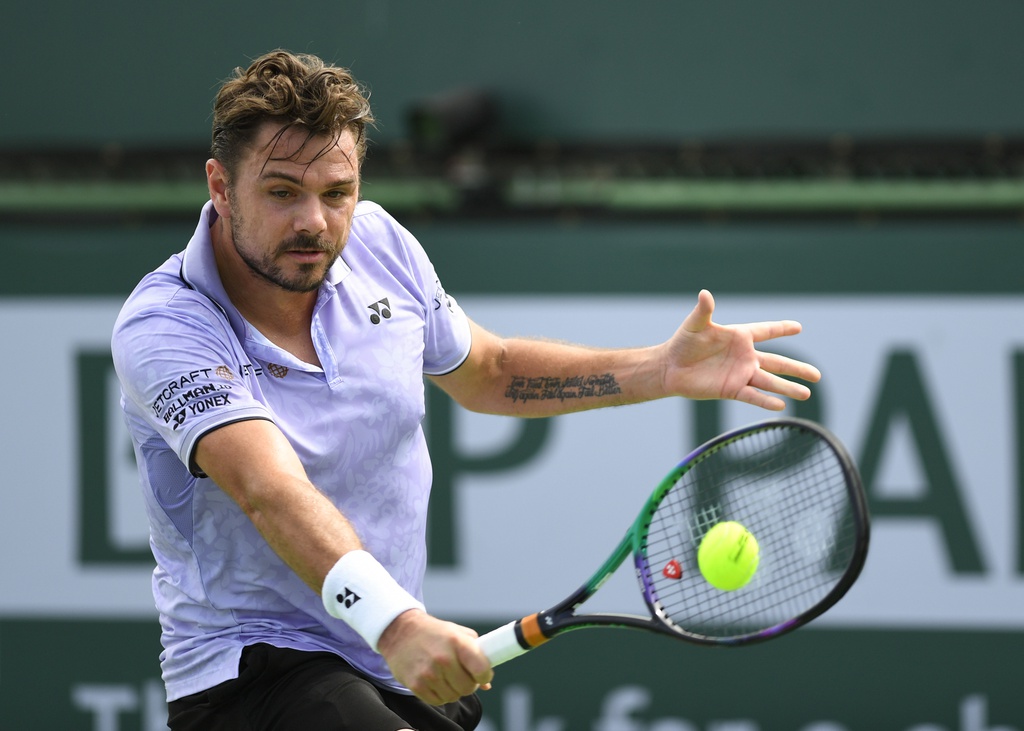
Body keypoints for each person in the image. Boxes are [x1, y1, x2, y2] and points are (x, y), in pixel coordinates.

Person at [111, 49, 822, 731]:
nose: (315, 222)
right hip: (252, 672)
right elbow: (271, 488)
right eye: (281, 192)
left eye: (338, 193)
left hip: (387, 667)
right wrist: (398, 622)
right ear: (220, 186)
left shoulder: (381, 246)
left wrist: (659, 369)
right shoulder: (167, 324)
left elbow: (491, 371)